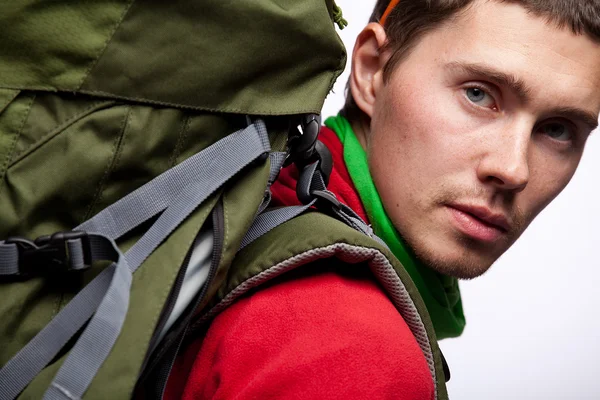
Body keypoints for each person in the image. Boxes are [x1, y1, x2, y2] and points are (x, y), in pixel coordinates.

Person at [165, 0, 600, 398]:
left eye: (559, 129)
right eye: (478, 94)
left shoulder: (264, 194)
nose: (513, 169)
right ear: (373, 70)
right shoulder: (355, 351)